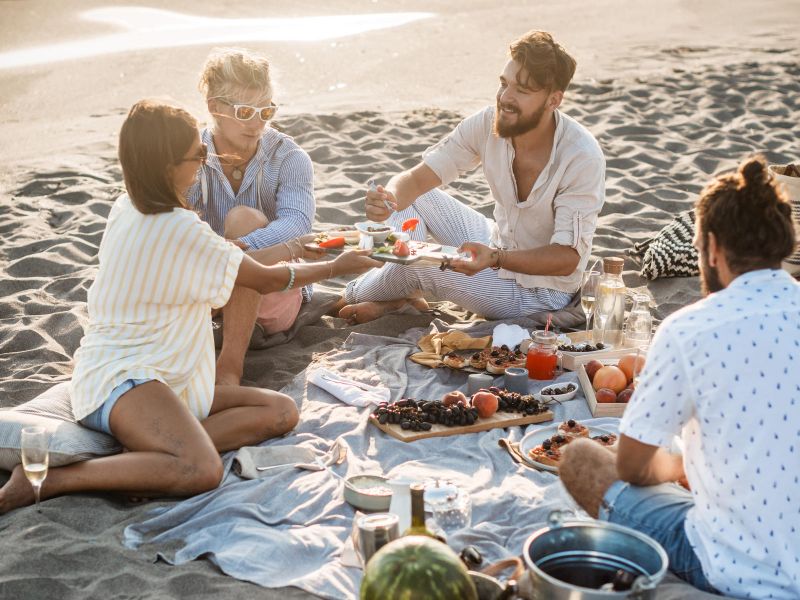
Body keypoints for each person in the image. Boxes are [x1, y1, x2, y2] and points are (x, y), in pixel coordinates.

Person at [0, 100, 379, 514]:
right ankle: (54, 480)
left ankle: (145, 461)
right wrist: (334, 268)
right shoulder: (177, 227)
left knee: (280, 411)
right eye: (196, 154)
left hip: (168, 376)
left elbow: (223, 260)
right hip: (124, 378)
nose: (205, 159)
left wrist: (293, 248)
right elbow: (264, 280)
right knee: (201, 469)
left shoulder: (128, 205)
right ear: (166, 166)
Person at [560, 156, 799, 598]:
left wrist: (680, 467)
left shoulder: (690, 328)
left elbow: (633, 466)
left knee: (581, 459)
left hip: (731, 568)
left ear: (709, 249)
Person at [336, 30, 605, 324]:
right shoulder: (487, 123)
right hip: (495, 242)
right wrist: (388, 200)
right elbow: (415, 180)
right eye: (504, 84)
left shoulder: (581, 157)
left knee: (417, 267)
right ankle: (402, 290)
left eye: (522, 90)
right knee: (416, 201)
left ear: (553, 100)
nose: (505, 97)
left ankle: (348, 296)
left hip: (538, 291)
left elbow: (567, 259)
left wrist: (496, 258)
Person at [188, 47, 317, 385]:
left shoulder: (289, 157)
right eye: (245, 111)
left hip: (273, 295)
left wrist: (236, 249)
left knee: (243, 219)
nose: (258, 123)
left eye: (266, 111)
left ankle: (230, 363)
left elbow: (297, 223)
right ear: (214, 107)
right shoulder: (190, 157)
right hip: (208, 289)